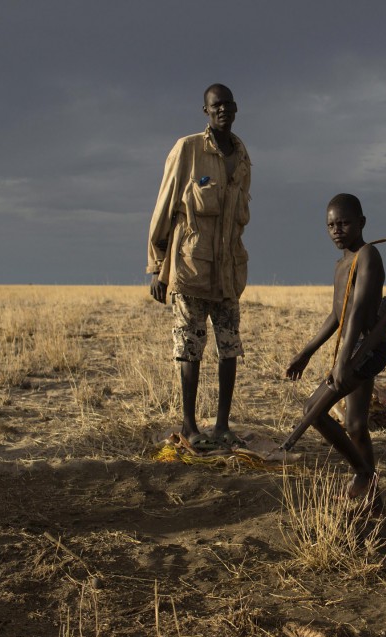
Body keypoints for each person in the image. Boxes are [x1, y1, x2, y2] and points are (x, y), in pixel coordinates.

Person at [147, 84, 251, 448]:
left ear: (236, 109)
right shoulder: (188, 150)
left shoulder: (242, 156)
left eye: (227, 104)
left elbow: (239, 219)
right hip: (189, 270)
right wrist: (156, 266)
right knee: (189, 346)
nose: (222, 110)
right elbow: (165, 207)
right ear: (205, 111)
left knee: (230, 346)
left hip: (227, 272)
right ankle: (190, 426)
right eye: (215, 105)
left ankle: (222, 425)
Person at [285, 193, 386, 509]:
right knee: (355, 425)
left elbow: (357, 311)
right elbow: (337, 314)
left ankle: (363, 474)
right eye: (331, 225)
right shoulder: (341, 264)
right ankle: (372, 496)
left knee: (312, 410)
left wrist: (343, 361)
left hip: (366, 348)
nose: (337, 230)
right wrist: (307, 352)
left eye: (344, 223)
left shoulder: (368, 255)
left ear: (362, 223)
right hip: (352, 348)